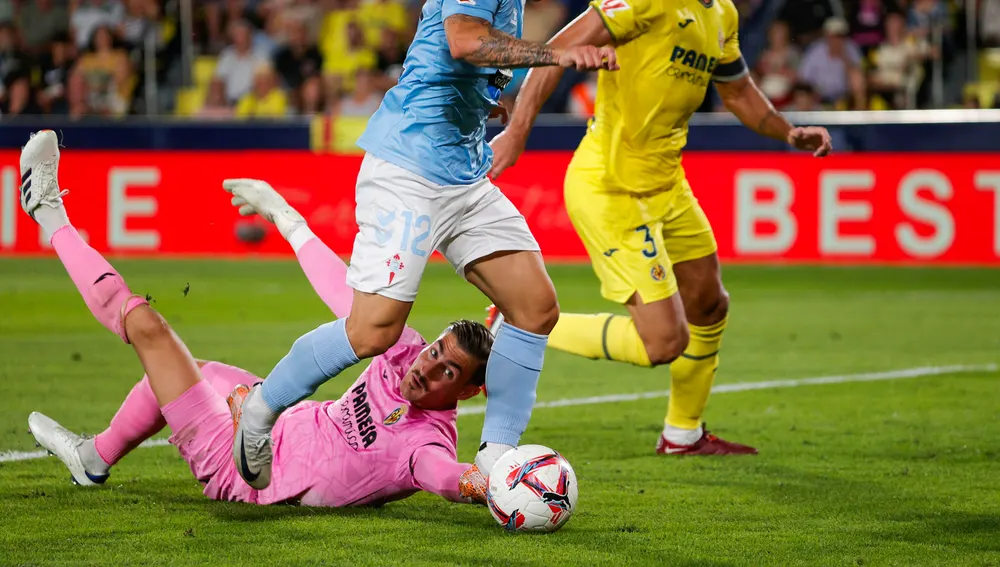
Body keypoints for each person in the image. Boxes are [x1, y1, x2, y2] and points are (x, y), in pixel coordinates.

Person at [231, 0, 619, 490]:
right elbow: (465, 40)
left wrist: (482, 100)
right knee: (372, 332)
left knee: (535, 307)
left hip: (463, 173)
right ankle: (260, 407)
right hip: (408, 169)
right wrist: (557, 55)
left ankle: (496, 463)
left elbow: (460, 56)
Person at [21, 130, 490, 508]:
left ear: (468, 392)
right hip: (270, 423)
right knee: (191, 373)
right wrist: (285, 217)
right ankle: (94, 458)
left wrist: (491, 485)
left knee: (148, 329)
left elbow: (448, 477)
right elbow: (344, 292)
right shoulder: (402, 348)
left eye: (447, 371)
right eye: (435, 352)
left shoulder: (426, 444)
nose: (425, 369)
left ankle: (47, 211)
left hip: (247, 473)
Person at [486, 0, 833, 455]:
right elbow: (557, 49)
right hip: (611, 187)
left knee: (709, 303)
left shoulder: (721, 14)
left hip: (667, 185)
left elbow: (739, 91)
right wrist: (518, 131)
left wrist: (788, 132)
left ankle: (682, 434)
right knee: (666, 341)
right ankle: (510, 325)